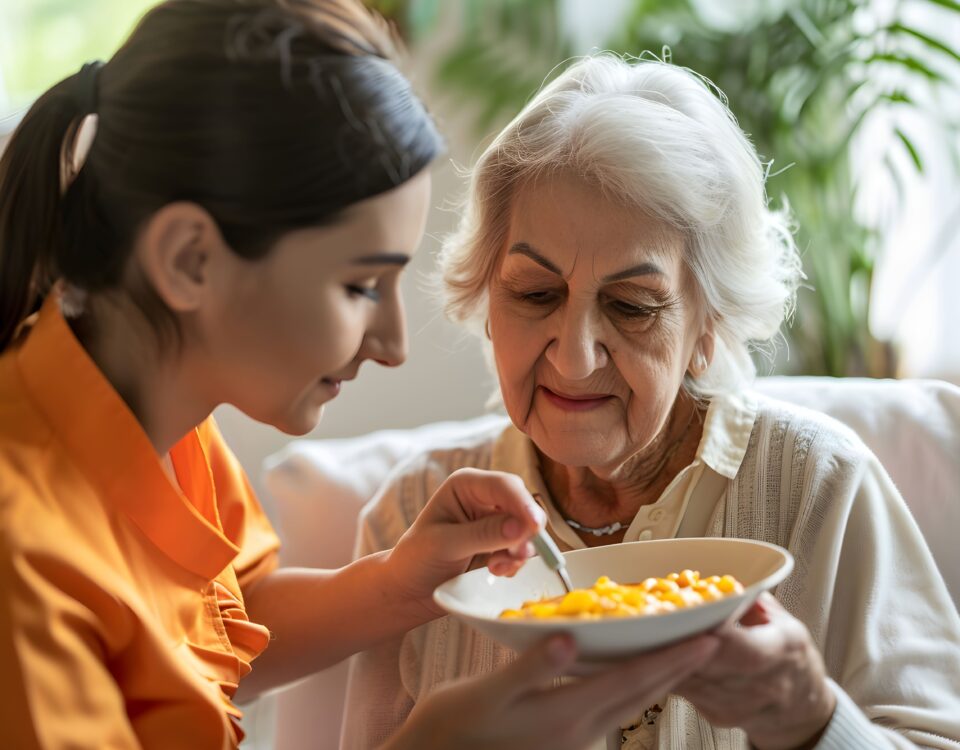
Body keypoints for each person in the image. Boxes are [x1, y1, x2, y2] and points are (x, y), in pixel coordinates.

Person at [0, 5, 723, 749]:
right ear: (189, 259)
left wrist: (395, 583)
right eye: (358, 287)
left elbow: (220, 624)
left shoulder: (158, 416)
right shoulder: (23, 568)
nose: (393, 344)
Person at [342, 54, 960, 749]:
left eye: (633, 306)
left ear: (708, 325)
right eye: (535, 293)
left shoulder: (820, 487)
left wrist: (813, 718)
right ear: (486, 300)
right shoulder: (413, 522)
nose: (575, 357)